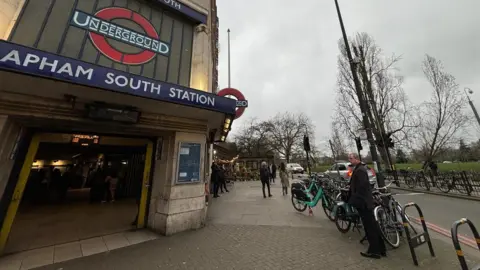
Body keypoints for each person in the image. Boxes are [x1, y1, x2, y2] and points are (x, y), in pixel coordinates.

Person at [347, 153, 386, 259]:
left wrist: (356, 198)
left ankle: (374, 251)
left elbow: (363, 187)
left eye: (351, 158)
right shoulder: (360, 168)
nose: (349, 160)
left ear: (356, 158)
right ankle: (381, 249)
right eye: (349, 158)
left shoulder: (360, 170)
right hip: (366, 202)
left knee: (369, 228)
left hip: (364, 204)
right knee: (373, 226)